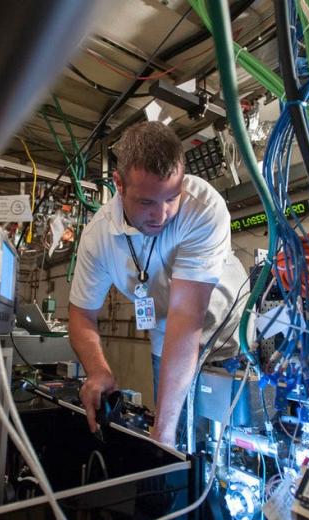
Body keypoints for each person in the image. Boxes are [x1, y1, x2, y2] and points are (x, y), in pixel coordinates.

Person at [68, 121, 247, 446]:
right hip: (168, 341)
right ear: (118, 184)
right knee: (174, 448)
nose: (162, 215)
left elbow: (187, 316)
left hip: (227, 338)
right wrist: (98, 370)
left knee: (228, 443)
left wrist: (163, 430)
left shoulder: (202, 207)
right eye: (147, 202)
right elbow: (81, 315)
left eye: (171, 198)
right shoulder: (98, 238)